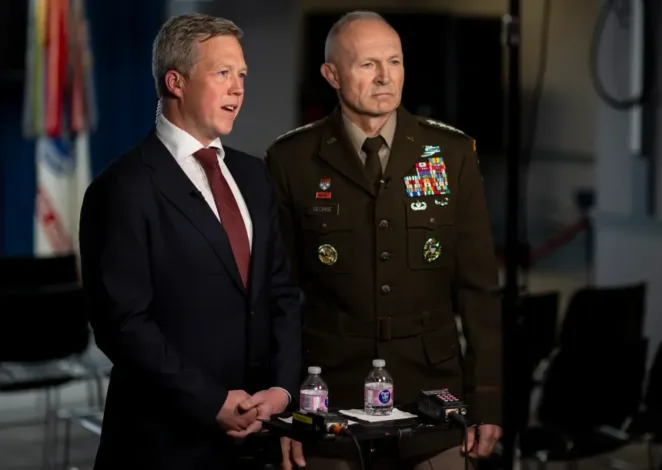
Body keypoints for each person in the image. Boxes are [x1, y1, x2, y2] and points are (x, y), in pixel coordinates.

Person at [265, 10, 503, 470]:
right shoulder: (292, 159)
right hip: (329, 394)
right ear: (332, 75)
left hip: (432, 394)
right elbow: (279, 297)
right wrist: (286, 411)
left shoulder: (450, 154)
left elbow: (480, 292)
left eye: (394, 62)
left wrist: (487, 399)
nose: (384, 77)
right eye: (367, 64)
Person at [78, 13, 301, 469]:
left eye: (242, 75)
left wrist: (281, 389)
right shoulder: (122, 187)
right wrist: (212, 400)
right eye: (223, 73)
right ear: (175, 82)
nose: (238, 88)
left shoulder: (255, 176)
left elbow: (281, 293)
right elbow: (123, 325)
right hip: (163, 443)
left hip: (258, 438)